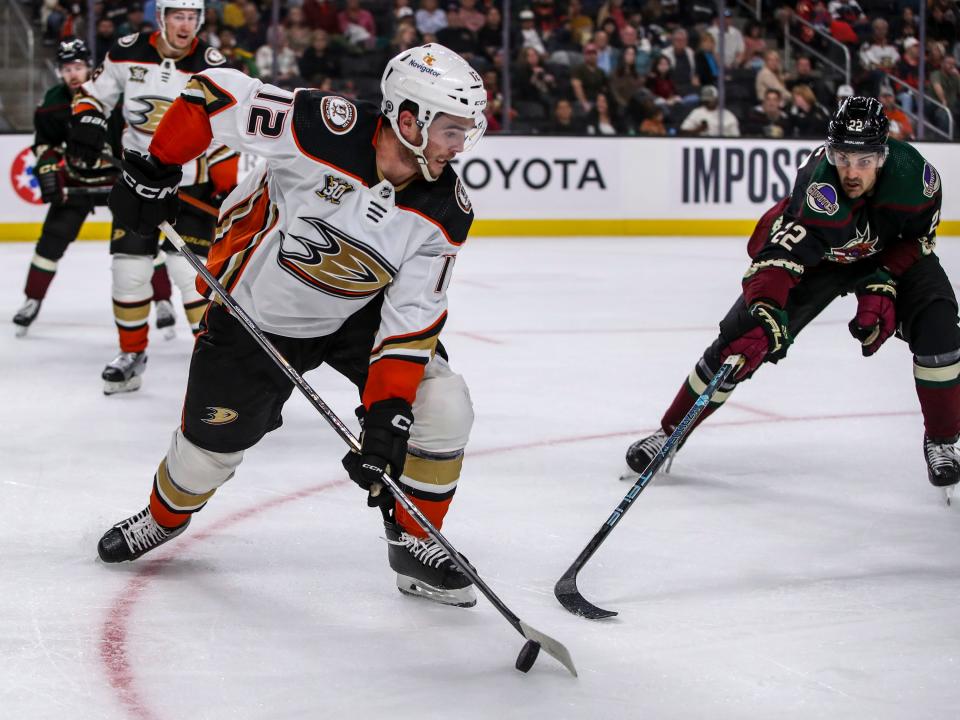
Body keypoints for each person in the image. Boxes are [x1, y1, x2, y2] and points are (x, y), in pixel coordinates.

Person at [96, 44, 489, 608]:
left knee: (442, 404)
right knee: (205, 454)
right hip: (257, 312)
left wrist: (386, 418)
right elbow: (214, 93)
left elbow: (410, 324)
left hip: (357, 314)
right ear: (409, 119)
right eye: (452, 130)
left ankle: (414, 540)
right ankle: (164, 517)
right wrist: (158, 167)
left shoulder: (447, 209)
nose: (460, 146)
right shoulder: (320, 128)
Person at [624, 97, 960, 502]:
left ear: (883, 155)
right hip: (822, 259)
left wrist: (883, 282)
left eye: (864, 161)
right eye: (842, 157)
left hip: (889, 254)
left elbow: (918, 239)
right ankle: (670, 433)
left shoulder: (917, 179)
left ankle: (942, 440)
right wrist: (765, 306)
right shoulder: (818, 185)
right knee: (741, 340)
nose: (851, 172)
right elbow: (783, 254)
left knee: (940, 329)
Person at [68, 0, 239, 394]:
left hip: (190, 185)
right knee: (129, 271)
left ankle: (211, 364)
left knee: (191, 276)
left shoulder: (212, 64)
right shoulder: (126, 51)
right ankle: (131, 355)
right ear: (160, 18)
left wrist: (223, 173)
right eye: (177, 16)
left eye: (192, 16)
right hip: (139, 183)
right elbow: (92, 96)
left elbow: (228, 123)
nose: (186, 24)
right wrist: (89, 119)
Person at [12, 39, 174, 337]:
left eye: (78, 67)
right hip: (77, 181)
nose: (73, 74)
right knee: (50, 242)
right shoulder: (53, 103)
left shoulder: (111, 98)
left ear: (90, 68)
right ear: (60, 72)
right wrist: (49, 170)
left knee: (142, 242)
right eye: (67, 69)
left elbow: (136, 137)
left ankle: (163, 301)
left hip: (117, 182)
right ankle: (32, 299)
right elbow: (45, 146)